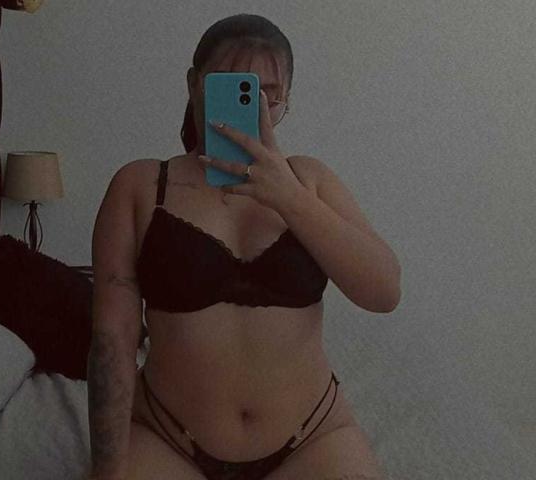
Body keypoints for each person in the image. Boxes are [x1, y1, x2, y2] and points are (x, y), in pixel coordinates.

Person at [88, 13, 398, 480]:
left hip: (311, 441)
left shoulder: (310, 180)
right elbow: (113, 338)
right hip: (168, 441)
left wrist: (289, 197)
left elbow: (384, 291)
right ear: (194, 85)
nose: (254, 108)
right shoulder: (142, 185)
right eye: (231, 86)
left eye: (267, 94)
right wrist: (107, 471)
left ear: (286, 100)